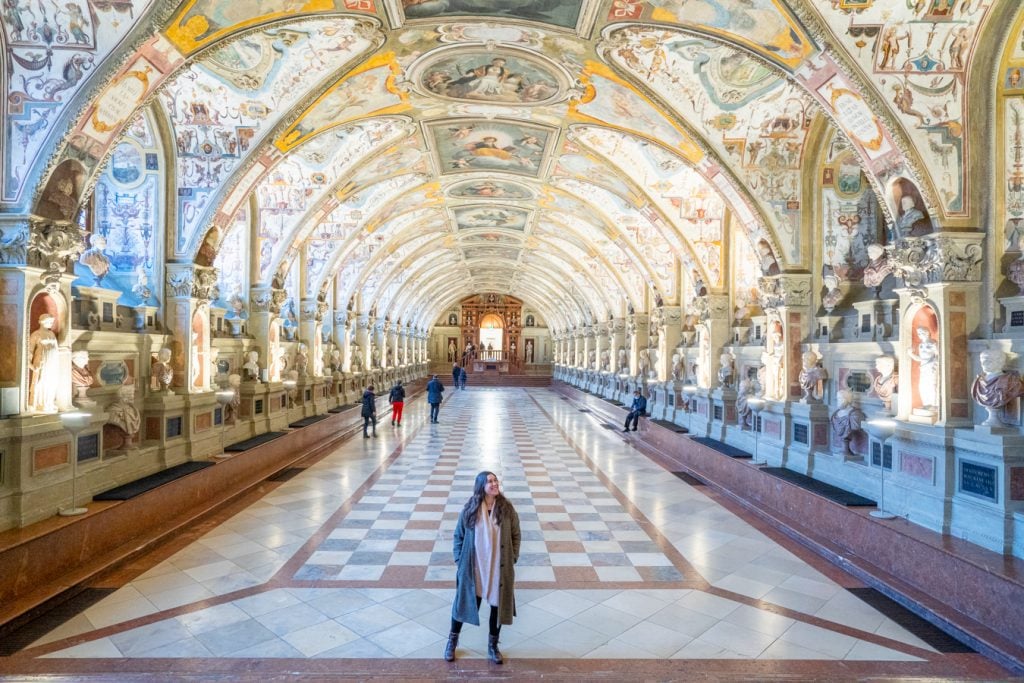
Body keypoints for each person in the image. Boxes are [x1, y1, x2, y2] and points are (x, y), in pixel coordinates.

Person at [445, 471, 521, 665]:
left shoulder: (506, 508)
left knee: (497, 608)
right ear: (481, 486)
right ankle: (452, 641)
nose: (495, 484)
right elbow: (458, 536)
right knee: (463, 605)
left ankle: (493, 646)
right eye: (490, 481)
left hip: (498, 567)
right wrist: (459, 560)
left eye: (495, 480)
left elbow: (515, 534)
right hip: (474, 567)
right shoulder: (470, 508)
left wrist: (512, 557)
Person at [28, 313, 60, 413]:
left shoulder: (52, 334)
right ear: (42, 322)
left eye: (52, 322)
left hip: (52, 362)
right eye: (49, 322)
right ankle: (38, 404)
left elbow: (56, 349)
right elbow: (29, 351)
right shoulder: (36, 334)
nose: (51, 324)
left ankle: (49, 403)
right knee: (40, 382)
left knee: (51, 382)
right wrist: (30, 365)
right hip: (41, 362)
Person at [909, 326, 939, 411]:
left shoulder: (933, 343)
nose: (920, 335)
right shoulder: (921, 345)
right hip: (923, 367)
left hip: (931, 366)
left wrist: (935, 365)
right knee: (922, 385)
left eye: (922, 333)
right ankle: (926, 403)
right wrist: (910, 354)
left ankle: (934, 404)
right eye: (919, 333)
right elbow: (920, 358)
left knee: (932, 385)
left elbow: (938, 356)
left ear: (927, 333)